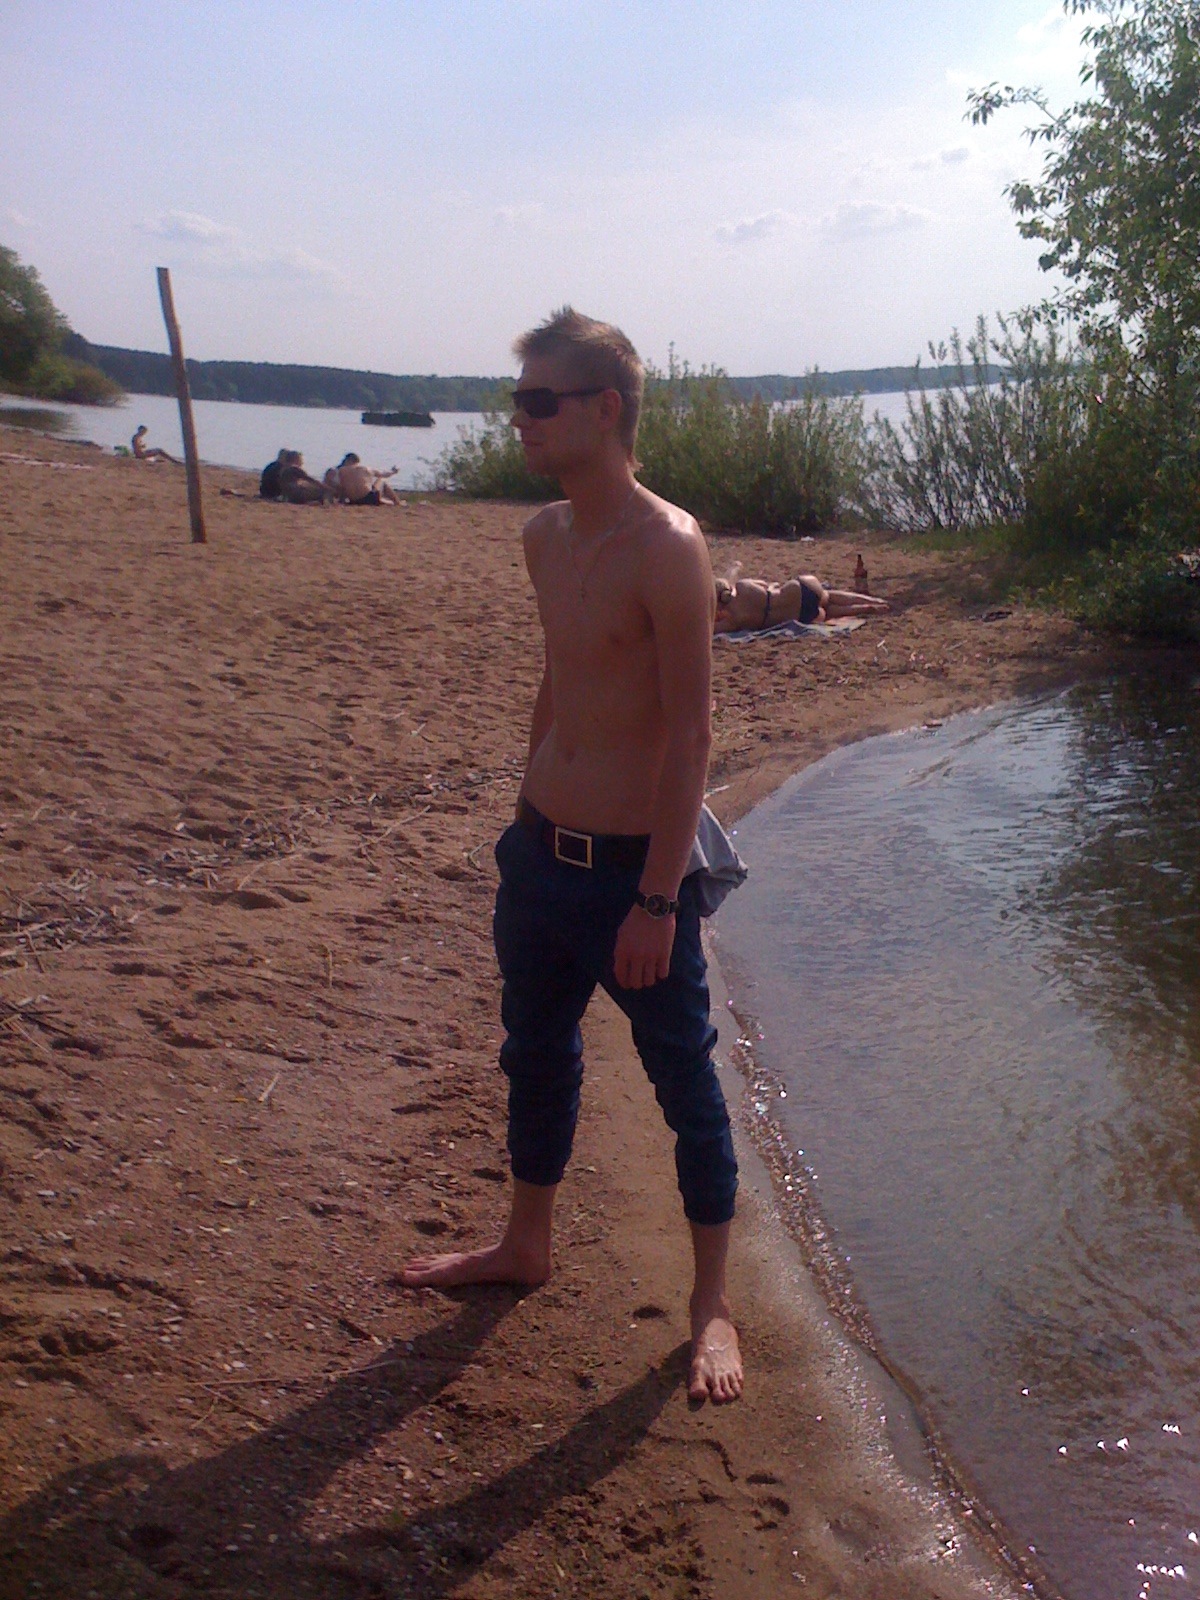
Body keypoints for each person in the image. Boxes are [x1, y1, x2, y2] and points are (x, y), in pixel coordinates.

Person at [401, 307, 743, 1405]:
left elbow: (691, 734)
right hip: (540, 854)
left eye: (540, 401)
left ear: (605, 408)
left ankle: (712, 1304)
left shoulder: (669, 546)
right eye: (518, 401)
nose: (522, 420)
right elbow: (561, 674)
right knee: (535, 1053)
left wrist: (658, 898)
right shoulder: (543, 536)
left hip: (634, 877)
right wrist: (523, 809)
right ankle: (525, 1242)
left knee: (686, 1084)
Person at [713, 564, 889, 633]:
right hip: (800, 589)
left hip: (801, 615)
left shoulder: (733, 620)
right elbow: (770, 585)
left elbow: (710, 631)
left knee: (827, 612)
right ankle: (874, 601)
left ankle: (864, 609)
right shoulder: (743, 585)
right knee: (828, 596)